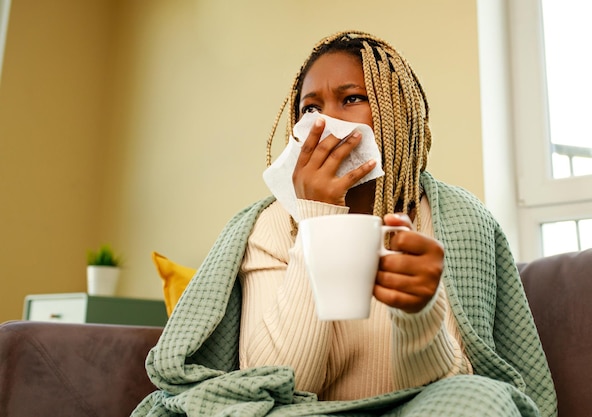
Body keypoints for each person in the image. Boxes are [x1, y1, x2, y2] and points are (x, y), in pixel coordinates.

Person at [132, 31, 557, 417]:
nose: (323, 122)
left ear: (397, 111)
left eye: (351, 98)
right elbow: (272, 384)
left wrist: (420, 312)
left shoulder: (458, 221)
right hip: (300, 413)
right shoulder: (271, 225)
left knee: (482, 399)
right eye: (310, 107)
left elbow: (450, 386)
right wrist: (316, 218)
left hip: (417, 410)